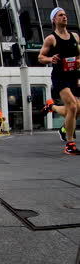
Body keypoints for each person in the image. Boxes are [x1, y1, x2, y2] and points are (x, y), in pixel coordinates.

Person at [39, 7, 80, 155]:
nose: (64, 17)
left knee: (76, 109)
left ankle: (53, 109)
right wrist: (51, 59)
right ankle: (70, 144)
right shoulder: (51, 38)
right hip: (60, 77)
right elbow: (40, 57)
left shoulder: (75, 36)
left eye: (65, 14)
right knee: (73, 106)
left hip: (74, 76)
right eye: (60, 15)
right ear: (54, 20)